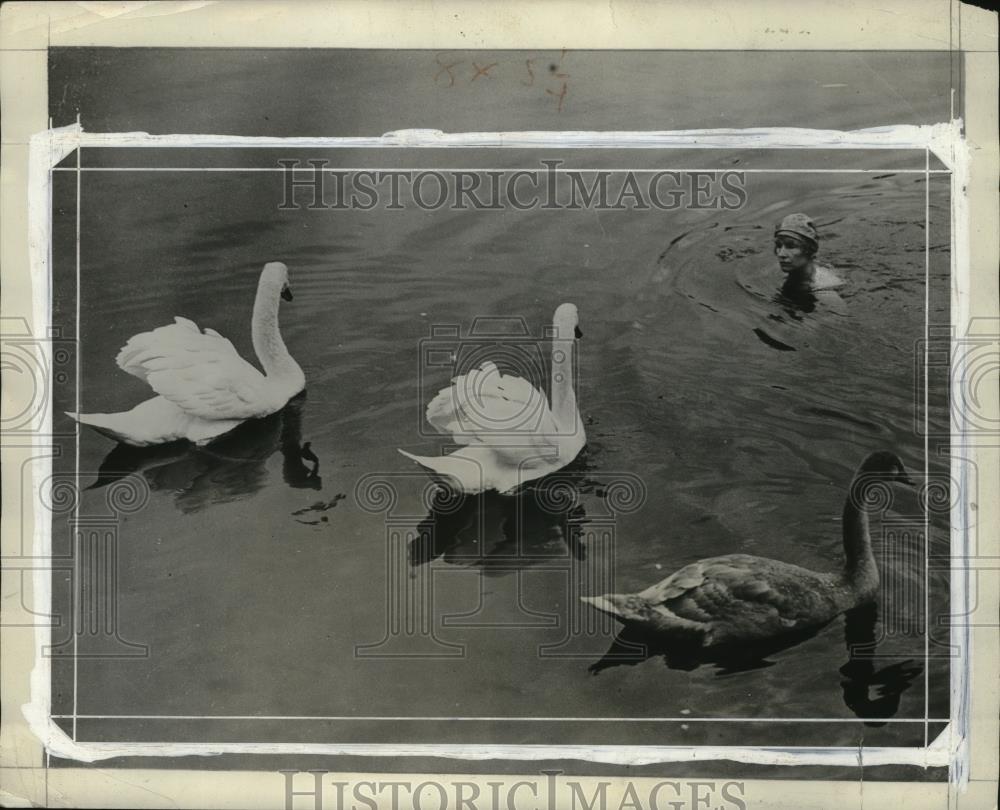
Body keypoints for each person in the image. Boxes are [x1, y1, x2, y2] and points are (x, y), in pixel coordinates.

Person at [773, 213, 846, 315]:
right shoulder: (790, 267)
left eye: (791, 246)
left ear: (809, 250)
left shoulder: (825, 292)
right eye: (778, 245)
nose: (781, 254)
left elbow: (842, 322)